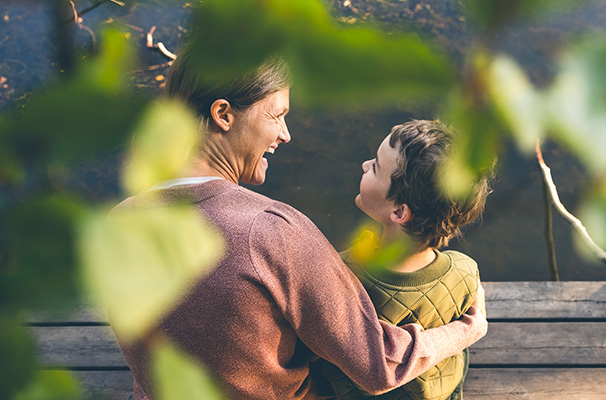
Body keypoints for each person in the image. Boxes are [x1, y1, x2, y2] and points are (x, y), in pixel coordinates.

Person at [110, 37, 488, 400]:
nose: (286, 135)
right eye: (277, 115)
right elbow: (378, 367)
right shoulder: (272, 232)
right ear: (223, 114)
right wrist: (466, 329)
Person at [318, 120, 492, 400]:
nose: (364, 165)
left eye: (375, 167)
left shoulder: (342, 272)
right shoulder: (465, 270)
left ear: (399, 212)